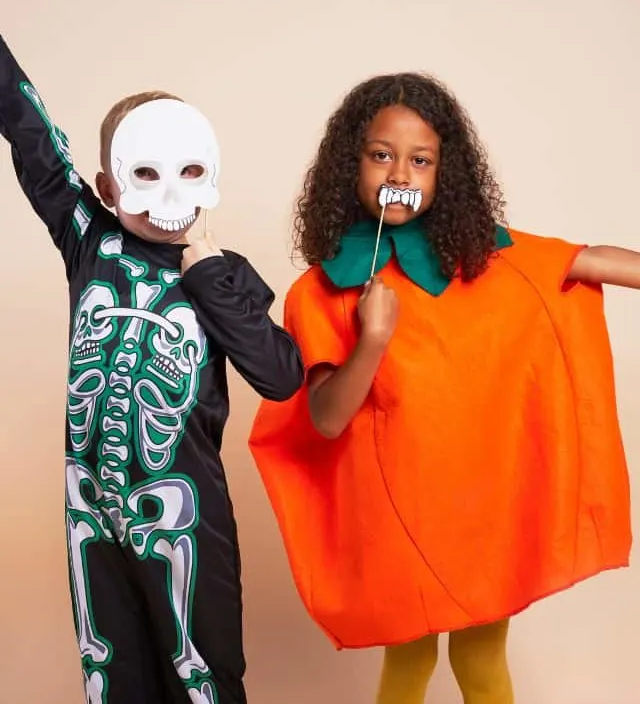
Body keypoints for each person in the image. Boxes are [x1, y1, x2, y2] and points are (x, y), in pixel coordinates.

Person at [248, 72, 634, 704]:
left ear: (443, 173)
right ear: (351, 162)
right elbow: (323, 419)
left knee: (483, 659)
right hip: (397, 517)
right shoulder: (318, 293)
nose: (401, 171)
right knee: (408, 660)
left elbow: (587, 261)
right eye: (381, 154)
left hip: (478, 513)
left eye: (420, 160)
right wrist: (371, 339)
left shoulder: (485, 260)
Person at [0, 34, 304, 704]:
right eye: (145, 174)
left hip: (183, 520)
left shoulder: (227, 278)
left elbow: (282, 377)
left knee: (203, 678)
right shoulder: (89, 240)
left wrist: (209, 274)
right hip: (92, 516)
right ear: (107, 187)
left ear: (212, 172)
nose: (171, 193)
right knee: (112, 678)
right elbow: (31, 138)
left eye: (191, 172)